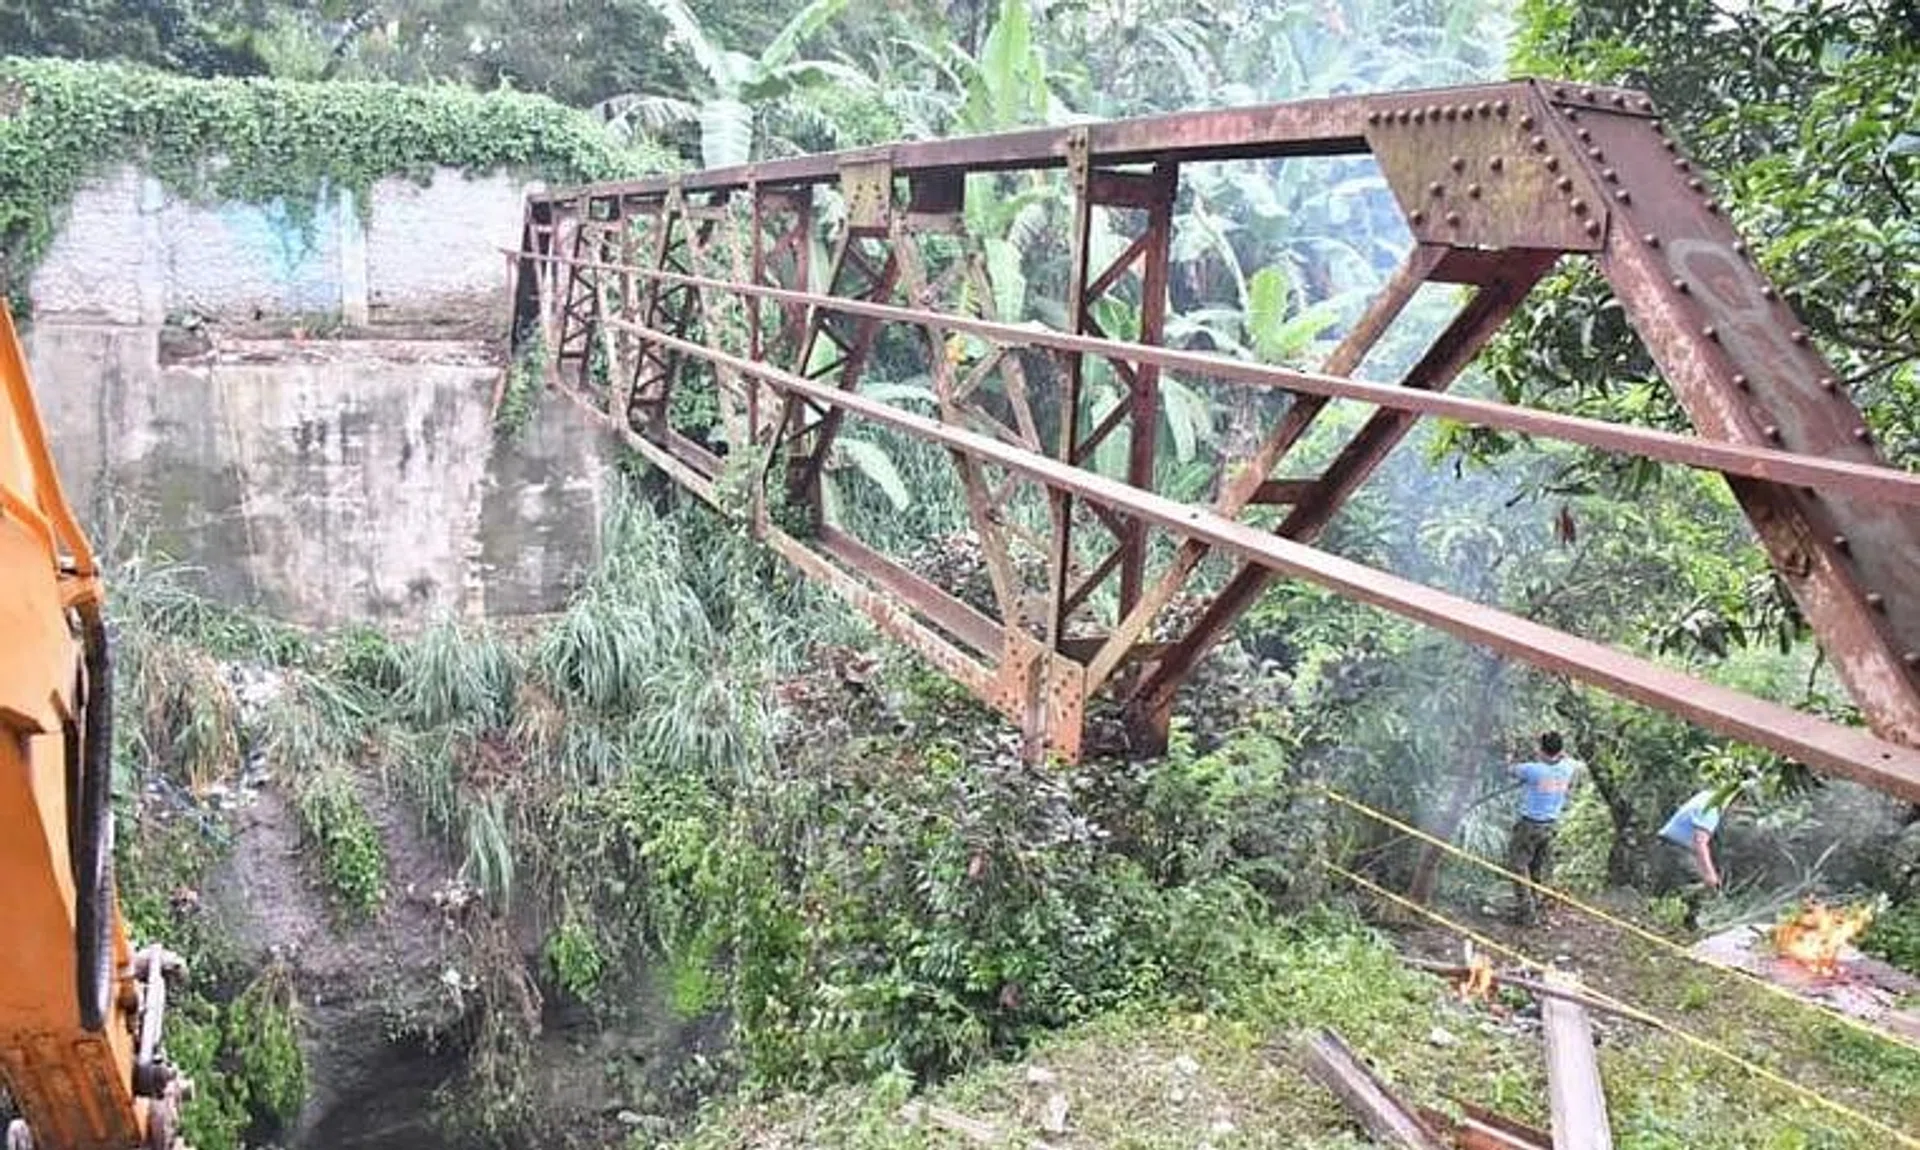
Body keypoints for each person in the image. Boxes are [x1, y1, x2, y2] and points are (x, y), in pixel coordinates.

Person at [1504, 731, 1581, 925]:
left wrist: (1510, 752)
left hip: (1529, 825)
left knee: (1518, 866)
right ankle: (1534, 905)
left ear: (1541, 749)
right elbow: (1570, 760)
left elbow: (1509, 770)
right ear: (1560, 750)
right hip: (1550, 825)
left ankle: (1527, 913)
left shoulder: (1532, 770)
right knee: (1536, 867)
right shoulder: (1567, 768)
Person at [1652, 784, 1736, 929]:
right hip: (1676, 848)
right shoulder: (1712, 808)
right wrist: (1710, 876)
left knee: (1668, 888)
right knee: (1702, 885)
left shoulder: (1707, 795)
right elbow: (1700, 842)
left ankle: (1675, 921)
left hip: (1669, 846)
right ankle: (1690, 926)